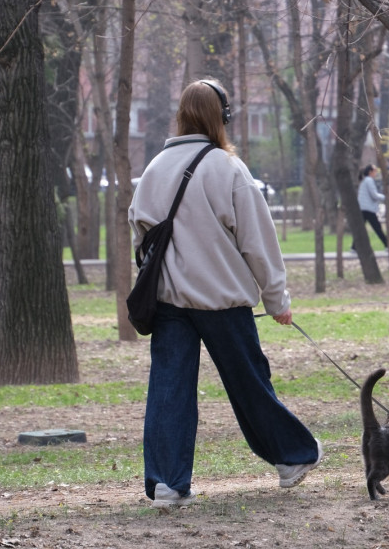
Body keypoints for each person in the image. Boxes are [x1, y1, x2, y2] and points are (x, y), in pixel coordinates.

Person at [128, 79, 322, 509]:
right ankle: (291, 459)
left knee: (168, 391)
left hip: (168, 303)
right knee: (249, 383)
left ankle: (166, 484)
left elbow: (140, 241)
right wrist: (278, 300)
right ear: (222, 116)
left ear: (181, 114)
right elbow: (258, 241)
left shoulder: (153, 170)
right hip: (222, 301)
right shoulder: (228, 168)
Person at [355, 163, 388, 249]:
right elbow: (374, 195)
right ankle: (388, 245)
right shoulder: (369, 180)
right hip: (367, 209)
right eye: (375, 171)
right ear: (370, 172)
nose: (376, 173)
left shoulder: (365, 180)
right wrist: (385, 197)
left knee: (361, 229)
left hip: (364, 208)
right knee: (377, 228)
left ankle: (354, 247)